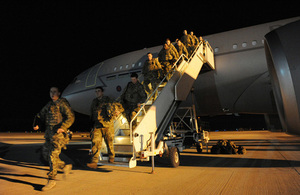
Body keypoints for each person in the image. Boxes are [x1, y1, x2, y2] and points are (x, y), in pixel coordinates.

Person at [33, 87, 75, 191]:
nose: (53, 93)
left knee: (52, 155)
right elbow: (39, 115)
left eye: (55, 92)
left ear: (59, 93)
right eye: (51, 92)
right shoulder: (49, 105)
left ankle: (51, 180)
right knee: (45, 154)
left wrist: (63, 127)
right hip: (49, 135)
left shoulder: (62, 104)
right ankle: (64, 166)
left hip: (58, 135)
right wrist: (36, 124)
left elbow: (71, 116)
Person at [87, 86, 122, 169]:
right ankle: (94, 161)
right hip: (97, 125)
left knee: (109, 143)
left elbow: (119, 106)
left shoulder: (108, 100)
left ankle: (111, 157)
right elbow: (91, 112)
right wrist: (91, 124)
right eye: (96, 91)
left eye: (98, 91)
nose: (97, 93)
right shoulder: (94, 101)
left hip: (107, 125)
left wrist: (118, 111)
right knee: (95, 142)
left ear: (102, 92)